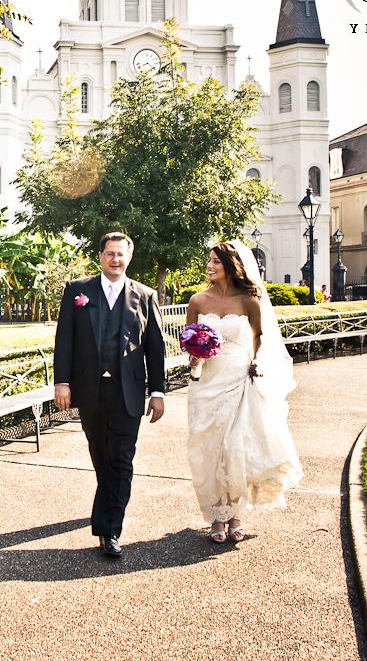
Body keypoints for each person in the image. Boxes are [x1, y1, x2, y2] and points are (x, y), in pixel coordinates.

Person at [53, 232, 167, 558]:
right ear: (100, 257)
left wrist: (157, 391)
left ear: (129, 258)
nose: (115, 260)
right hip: (90, 390)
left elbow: (155, 349)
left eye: (121, 254)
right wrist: (62, 381)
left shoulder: (145, 295)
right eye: (110, 254)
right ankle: (108, 513)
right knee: (100, 456)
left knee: (122, 459)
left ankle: (110, 528)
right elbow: (65, 339)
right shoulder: (78, 291)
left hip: (128, 391)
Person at [185, 241, 302, 543]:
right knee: (209, 449)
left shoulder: (249, 300)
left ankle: (235, 515)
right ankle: (216, 514)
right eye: (209, 260)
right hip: (207, 382)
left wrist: (255, 362)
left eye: (216, 262)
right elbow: (188, 342)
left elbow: (259, 338)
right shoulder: (197, 301)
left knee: (235, 448)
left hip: (239, 379)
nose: (210, 266)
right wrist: (195, 355)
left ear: (232, 266)